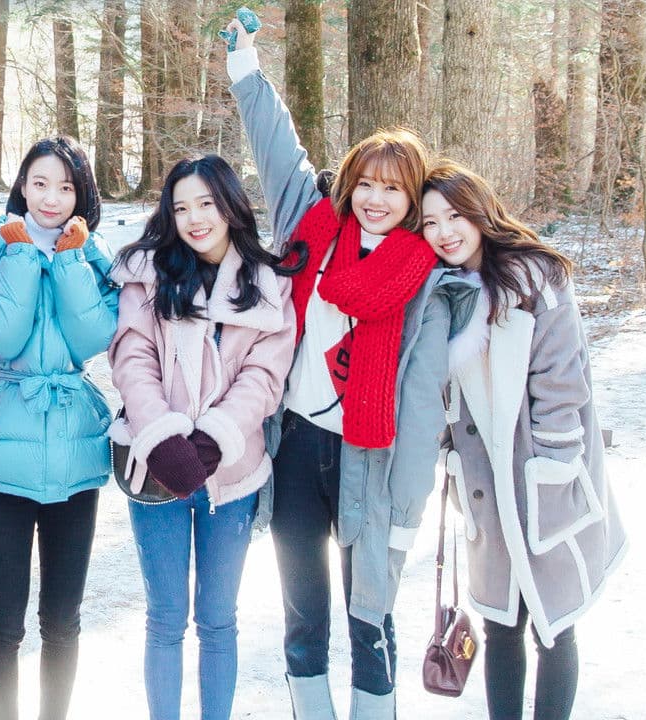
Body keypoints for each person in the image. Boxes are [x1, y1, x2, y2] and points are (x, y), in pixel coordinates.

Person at [225, 16, 477, 718]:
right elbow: (278, 148)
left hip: (371, 460)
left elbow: (422, 404)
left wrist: (405, 509)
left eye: (393, 189)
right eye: (365, 182)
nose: (375, 198)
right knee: (303, 615)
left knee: (371, 617)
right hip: (297, 445)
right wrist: (246, 68)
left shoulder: (424, 281)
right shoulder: (313, 229)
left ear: (412, 200)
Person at [421, 160, 626, 720]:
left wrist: (552, 473)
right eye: (430, 222)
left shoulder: (537, 279)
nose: (444, 232)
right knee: (500, 623)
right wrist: (449, 453)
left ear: (480, 211)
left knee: (553, 624)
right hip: (485, 479)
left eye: (455, 216)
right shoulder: (441, 293)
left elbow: (562, 383)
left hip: (540, 480)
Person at [108, 154, 296, 720]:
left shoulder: (268, 285)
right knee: (165, 619)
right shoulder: (148, 274)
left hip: (231, 478)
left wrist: (215, 439)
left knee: (217, 621)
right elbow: (132, 358)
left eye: (207, 204)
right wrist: (162, 435)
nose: (195, 219)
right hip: (156, 471)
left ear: (231, 206)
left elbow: (265, 375)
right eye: (182, 207)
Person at [0, 136, 118, 720]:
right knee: (3, 619)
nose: (51, 198)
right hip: (1, 449)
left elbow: (92, 338)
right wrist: (22, 256)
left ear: (82, 194)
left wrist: (70, 262)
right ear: (22, 185)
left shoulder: (94, 255)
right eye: (40, 183)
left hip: (73, 452)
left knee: (62, 620)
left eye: (66, 187)